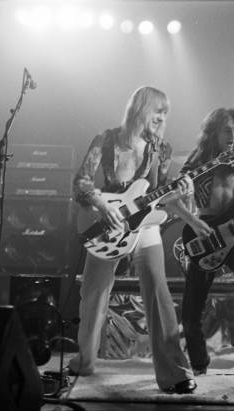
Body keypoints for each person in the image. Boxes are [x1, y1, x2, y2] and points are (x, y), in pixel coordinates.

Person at [68, 86, 196, 394]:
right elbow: (81, 181)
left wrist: (182, 194)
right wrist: (100, 204)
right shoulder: (106, 139)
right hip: (107, 223)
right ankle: (85, 360)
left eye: (166, 113)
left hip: (144, 225)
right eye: (158, 110)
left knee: (157, 289)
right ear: (140, 108)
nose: (162, 118)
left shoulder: (161, 150)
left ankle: (176, 374)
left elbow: (161, 194)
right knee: (94, 294)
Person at [165, 108, 234, 389]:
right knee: (191, 312)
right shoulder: (199, 160)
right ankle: (199, 363)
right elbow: (171, 197)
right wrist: (192, 219)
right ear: (213, 132)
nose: (232, 134)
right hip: (204, 235)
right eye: (226, 129)